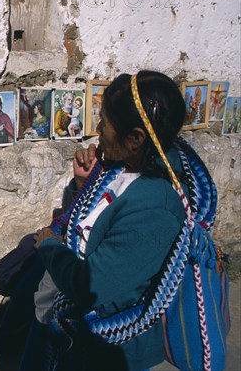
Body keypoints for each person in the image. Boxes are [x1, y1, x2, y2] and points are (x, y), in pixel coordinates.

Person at [17, 70, 215, 371]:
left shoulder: (155, 209)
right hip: (60, 313)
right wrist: (83, 185)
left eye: (105, 122)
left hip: (102, 350)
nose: (97, 128)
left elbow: (91, 287)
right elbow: (96, 226)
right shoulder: (121, 167)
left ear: (135, 138)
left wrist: (49, 247)